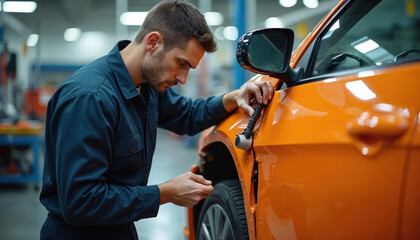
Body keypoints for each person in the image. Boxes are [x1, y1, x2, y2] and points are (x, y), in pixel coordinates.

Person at [39, 0, 274, 239]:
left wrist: (233, 98)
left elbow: (188, 115)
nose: (183, 78)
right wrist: (166, 193)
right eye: (181, 63)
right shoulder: (90, 99)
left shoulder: (146, 86)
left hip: (120, 227)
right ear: (153, 42)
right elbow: (82, 202)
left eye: (189, 68)